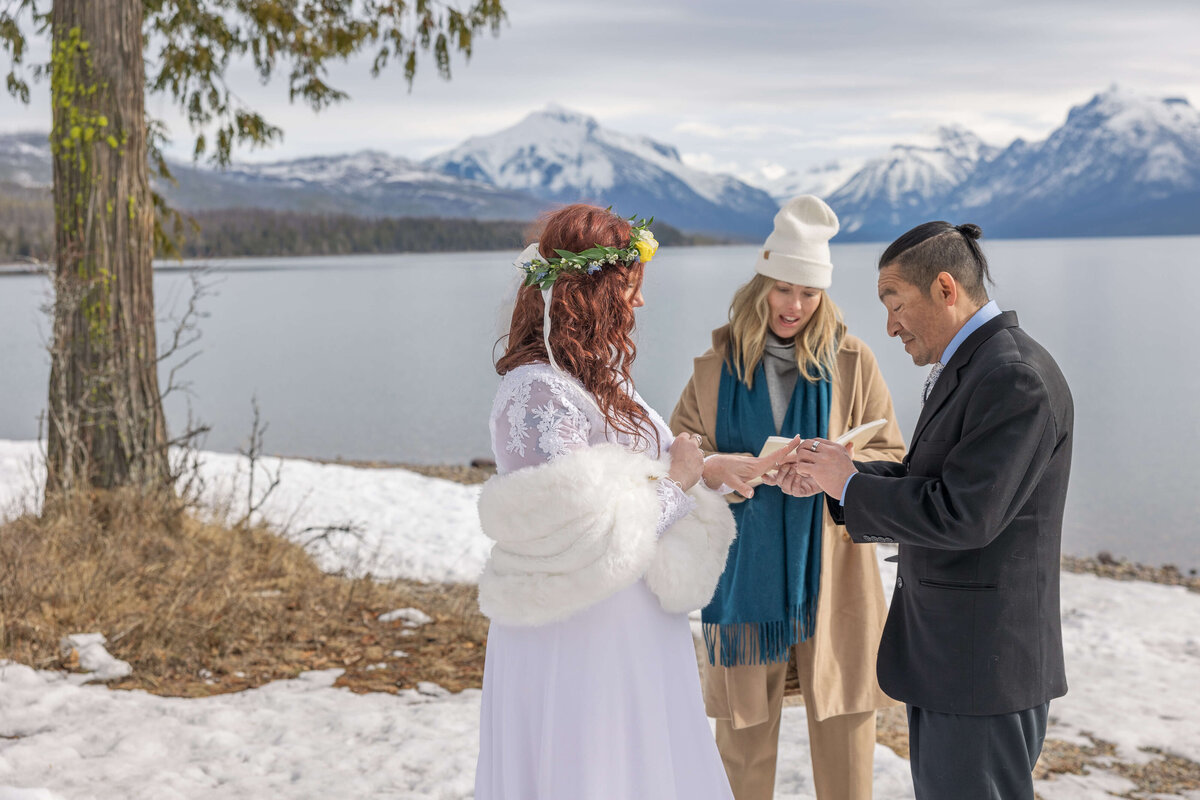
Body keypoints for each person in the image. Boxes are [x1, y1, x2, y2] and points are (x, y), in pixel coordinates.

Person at [474, 204, 803, 800]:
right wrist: (678, 483)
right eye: (630, 288)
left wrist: (711, 472)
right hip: (575, 632)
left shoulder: (602, 379)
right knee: (591, 768)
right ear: (589, 291)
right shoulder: (536, 391)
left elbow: (633, 477)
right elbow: (579, 531)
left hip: (635, 627)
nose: (641, 303)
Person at [775, 221, 1074, 800]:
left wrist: (851, 487)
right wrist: (839, 480)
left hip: (980, 669)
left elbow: (964, 515)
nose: (889, 327)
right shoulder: (980, 365)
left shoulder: (1013, 376)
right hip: (954, 661)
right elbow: (934, 482)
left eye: (896, 304)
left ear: (944, 288)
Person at [670, 195, 906, 800]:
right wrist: (722, 468)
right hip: (745, 576)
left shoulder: (853, 362)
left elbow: (894, 459)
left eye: (808, 293)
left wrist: (837, 471)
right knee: (741, 749)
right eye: (782, 289)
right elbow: (677, 461)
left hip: (834, 572)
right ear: (761, 286)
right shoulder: (714, 366)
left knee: (847, 738)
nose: (794, 306)